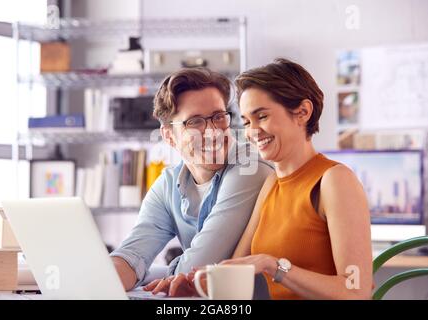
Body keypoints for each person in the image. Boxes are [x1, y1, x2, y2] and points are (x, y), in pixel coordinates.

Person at [148, 58, 373, 300]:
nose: (252, 131)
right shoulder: (270, 184)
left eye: (262, 116)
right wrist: (192, 284)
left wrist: (274, 266)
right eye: (246, 121)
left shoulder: (334, 181)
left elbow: (356, 290)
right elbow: (234, 267)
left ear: (303, 112)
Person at [110, 67, 273, 291]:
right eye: (195, 122)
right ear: (169, 136)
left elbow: (203, 263)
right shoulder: (168, 184)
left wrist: (148, 274)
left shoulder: (250, 167)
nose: (213, 131)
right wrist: (97, 278)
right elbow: (132, 254)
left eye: (218, 117)